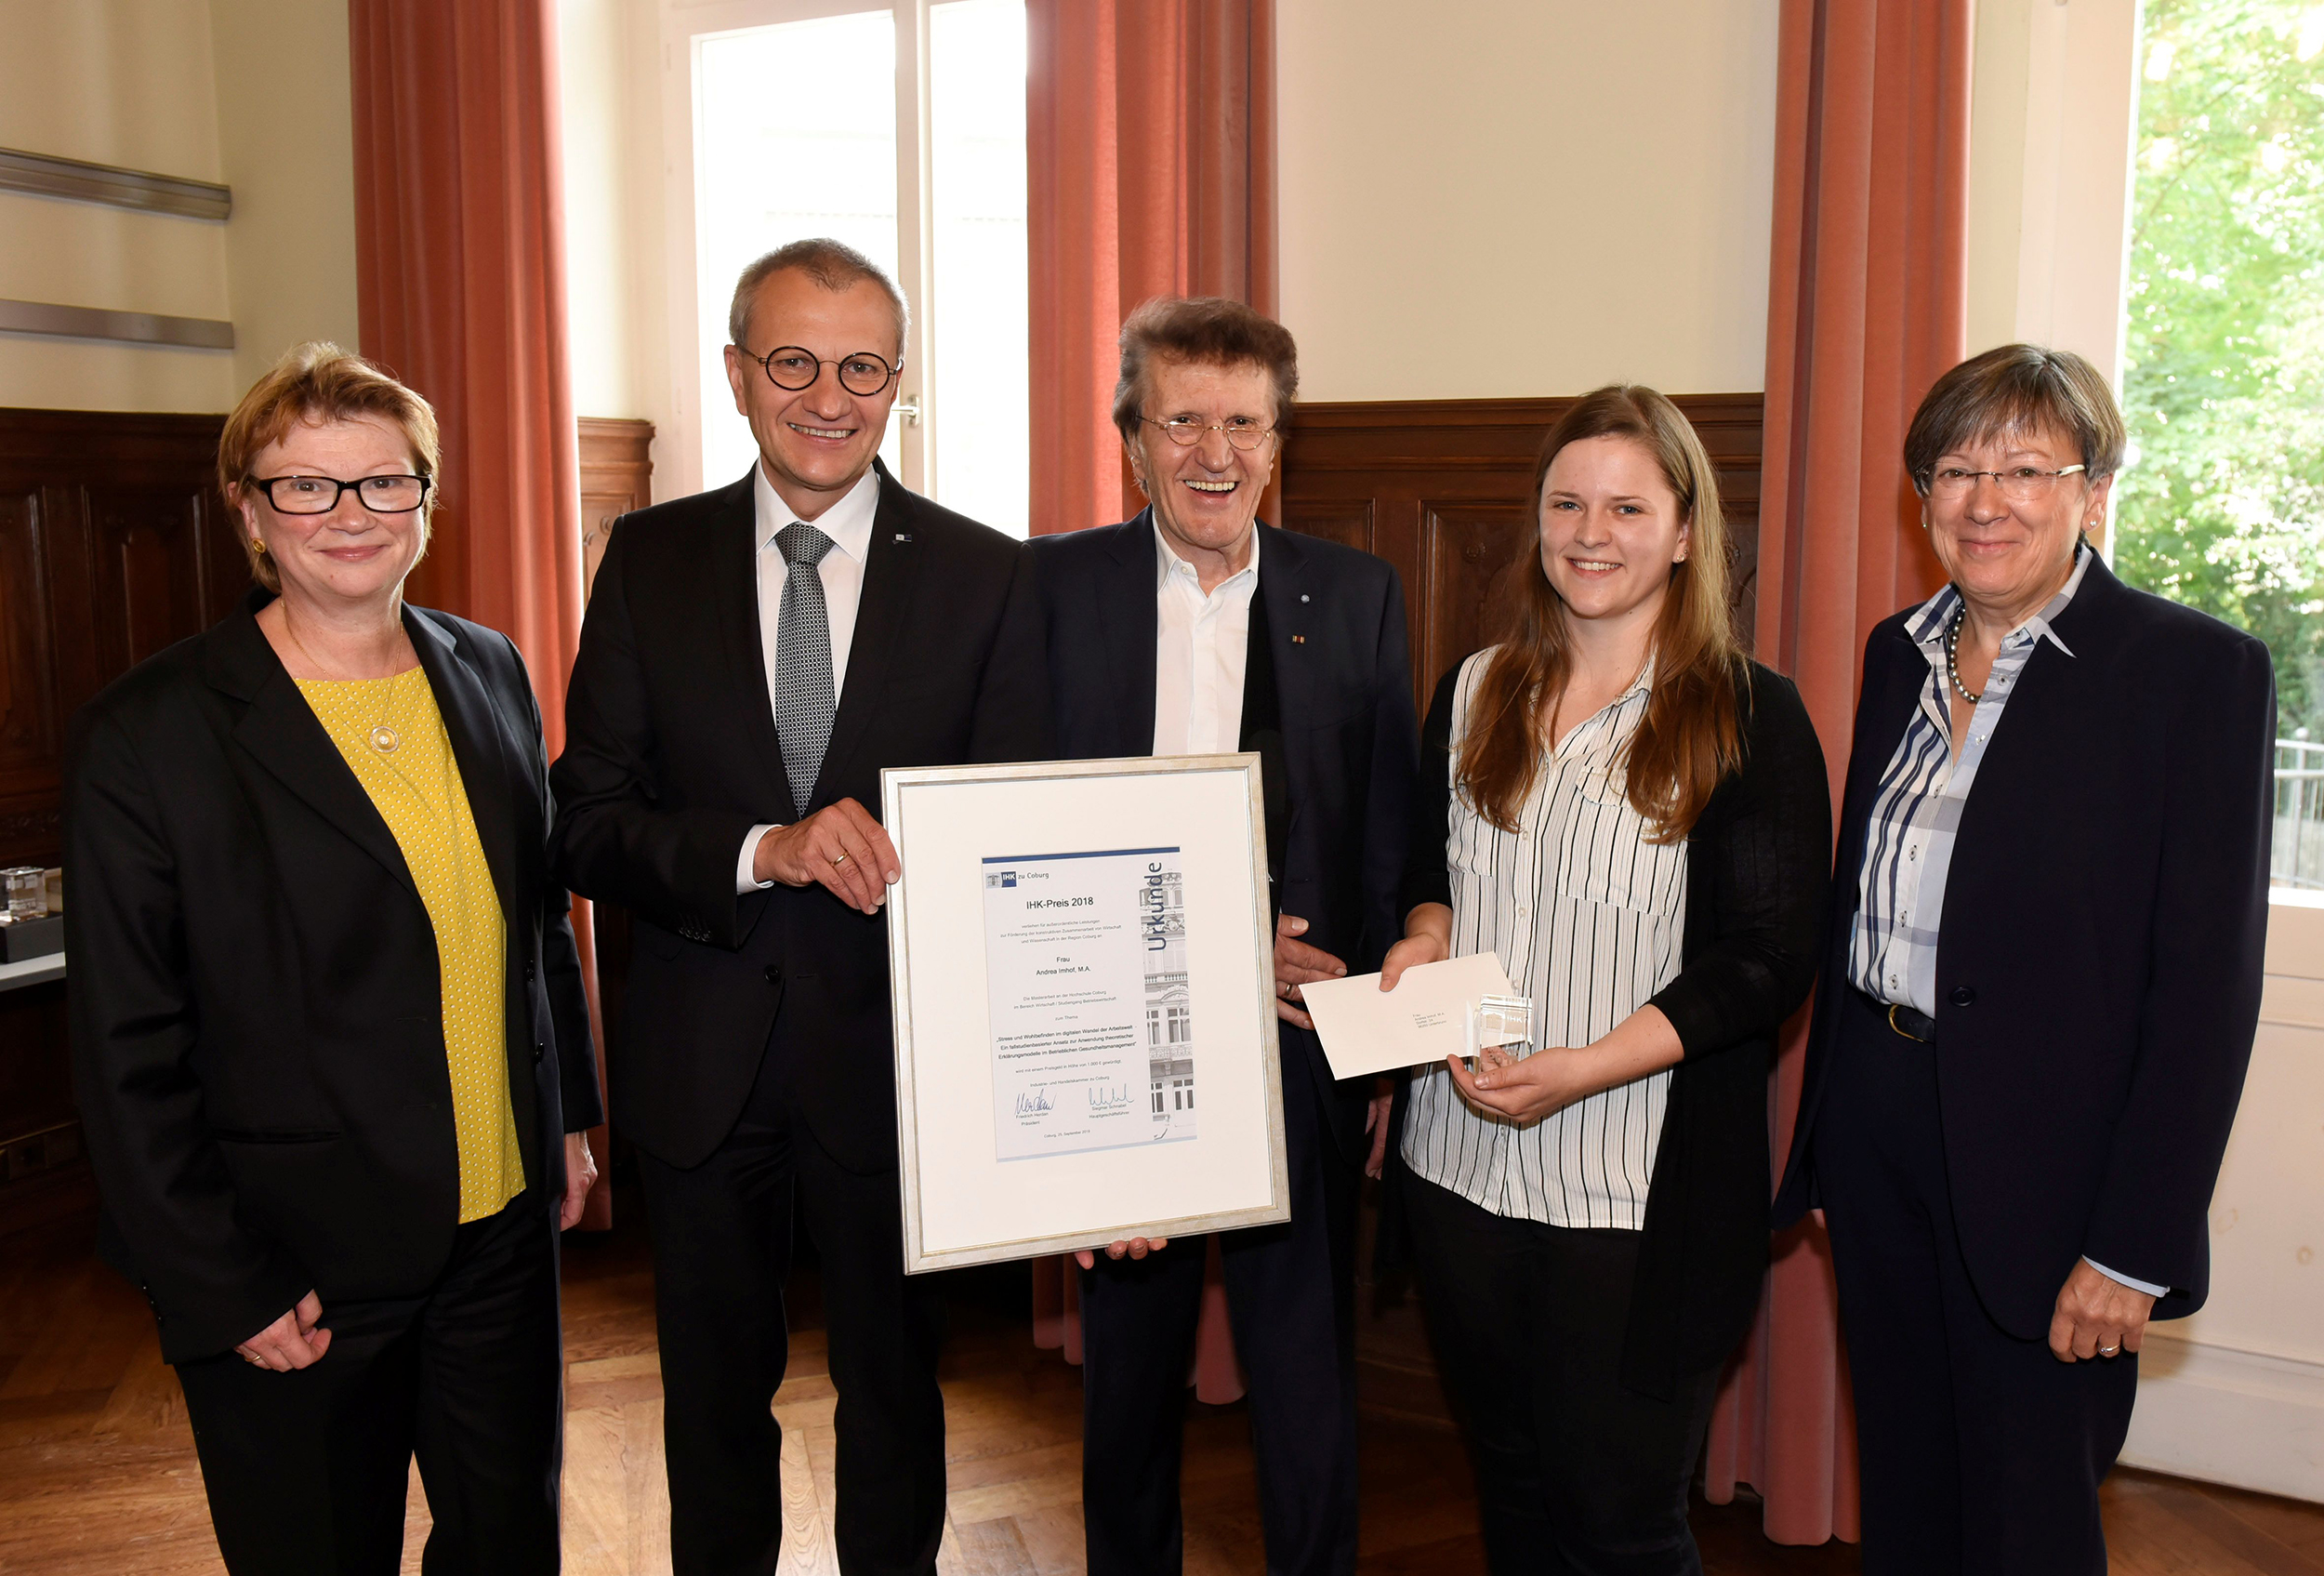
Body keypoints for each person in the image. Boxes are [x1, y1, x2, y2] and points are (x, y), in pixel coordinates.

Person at [551, 238, 1048, 1576]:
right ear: (736, 372)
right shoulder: (647, 560)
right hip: (702, 1066)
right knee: (713, 1404)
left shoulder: (988, 574)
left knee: (897, 1397)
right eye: (794, 361)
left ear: (899, 381)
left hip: (898, 1070)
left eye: (862, 366)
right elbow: (585, 818)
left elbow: (1019, 844)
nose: (829, 396)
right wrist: (762, 846)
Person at [64, 343, 602, 1575]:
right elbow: (125, 1051)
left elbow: (533, 922)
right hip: (290, 1263)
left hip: (498, 1235)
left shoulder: (489, 665)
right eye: (307, 485)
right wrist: (219, 1282)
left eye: (382, 482)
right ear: (249, 509)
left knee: (509, 1542)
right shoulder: (150, 735)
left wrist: (566, 1116)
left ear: (426, 499)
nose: (350, 515)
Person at [1774, 344, 2275, 1574]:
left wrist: (2134, 1241)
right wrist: (1837, 1127)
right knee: (1908, 1480)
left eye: (2024, 469)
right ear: (1922, 493)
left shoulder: (2194, 672)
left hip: (2057, 1164)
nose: (1984, 500)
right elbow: (1867, 904)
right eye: (1954, 469)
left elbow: (2207, 986)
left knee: (2030, 1513)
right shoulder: (1903, 650)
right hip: (1885, 1125)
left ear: (2093, 489)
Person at [1376, 386, 1831, 1574]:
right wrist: (1423, 935)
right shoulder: (1477, 688)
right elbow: (1432, 871)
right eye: (1567, 502)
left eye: (1628, 506)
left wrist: (1583, 1069)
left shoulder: (1749, 714)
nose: (1592, 530)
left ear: (1685, 531)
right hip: (1458, 1172)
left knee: (1623, 1527)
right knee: (1515, 1495)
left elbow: (1770, 958)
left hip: (1637, 1197)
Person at [1030, 296, 1418, 1576]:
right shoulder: (1047, 589)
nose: (1216, 450)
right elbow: (1018, 827)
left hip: (1296, 1036)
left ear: (1278, 437)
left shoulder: (1355, 593)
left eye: (1245, 421)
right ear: (1132, 435)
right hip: (1109, 1034)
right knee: (1125, 1381)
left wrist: (1368, 1051)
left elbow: (1386, 830)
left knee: (1306, 1381)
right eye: (1183, 416)